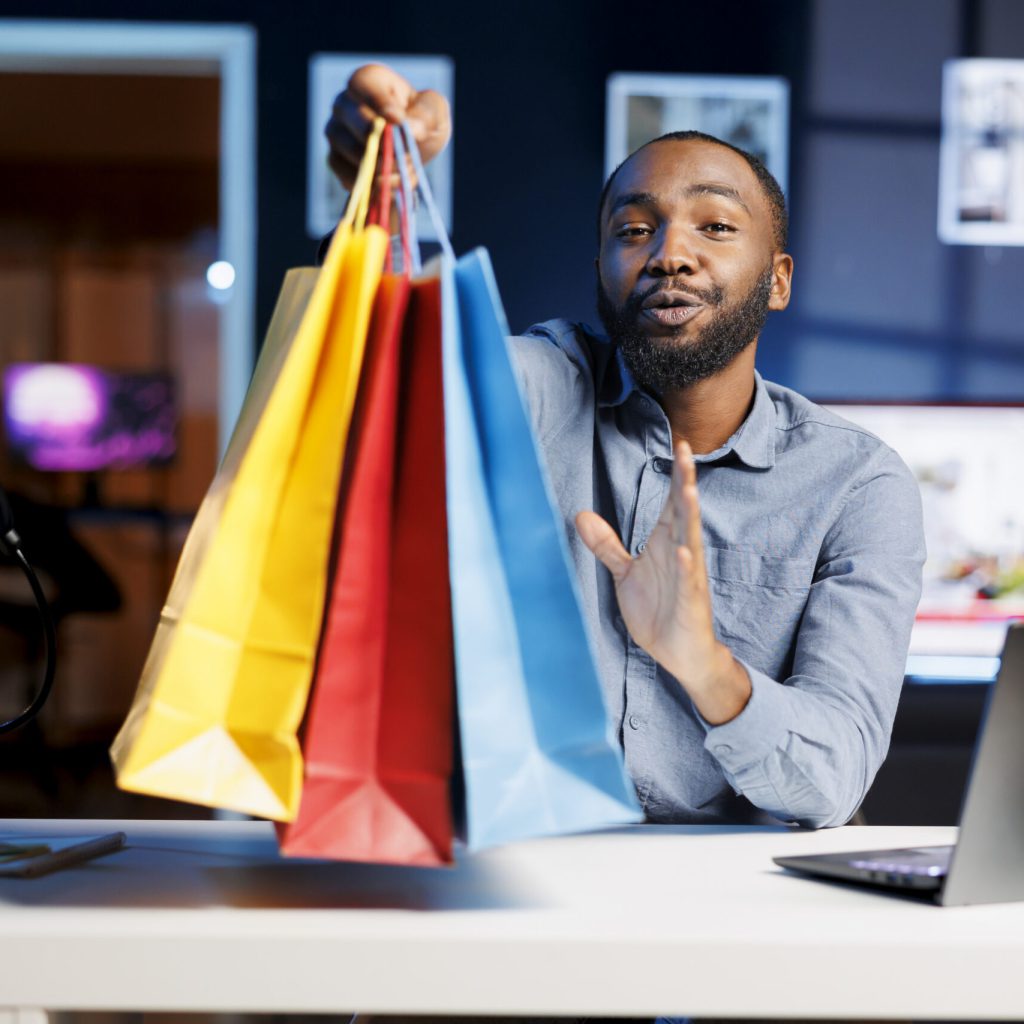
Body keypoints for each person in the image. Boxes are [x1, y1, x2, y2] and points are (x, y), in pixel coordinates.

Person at [327, 64, 926, 830]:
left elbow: (832, 776)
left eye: (715, 225)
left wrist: (702, 662)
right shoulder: (543, 384)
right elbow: (398, 375)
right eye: (634, 230)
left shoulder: (857, 485)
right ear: (602, 273)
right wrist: (375, 200)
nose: (669, 254)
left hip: (730, 898)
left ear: (777, 281)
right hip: (512, 862)